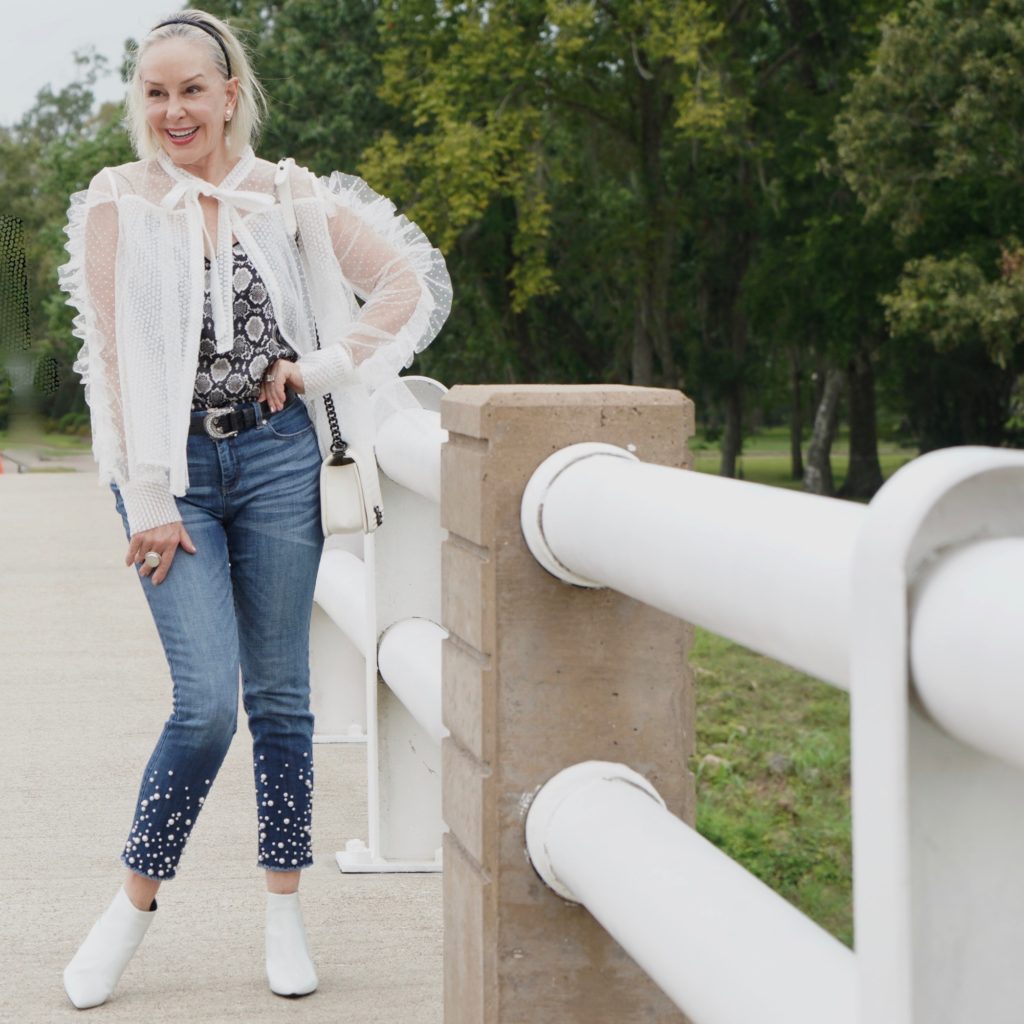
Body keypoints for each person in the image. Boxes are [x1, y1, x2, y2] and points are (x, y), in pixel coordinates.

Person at [58, 9, 451, 1009]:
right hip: (166, 474)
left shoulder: (288, 195)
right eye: (156, 92)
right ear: (138, 103)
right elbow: (109, 363)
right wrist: (144, 496)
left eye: (193, 89)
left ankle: (284, 908)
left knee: (280, 700)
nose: (174, 109)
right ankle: (133, 902)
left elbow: (406, 284)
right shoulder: (116, 202)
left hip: (278, 459)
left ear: (231, 94)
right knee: (202, 706)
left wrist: (320, 367)